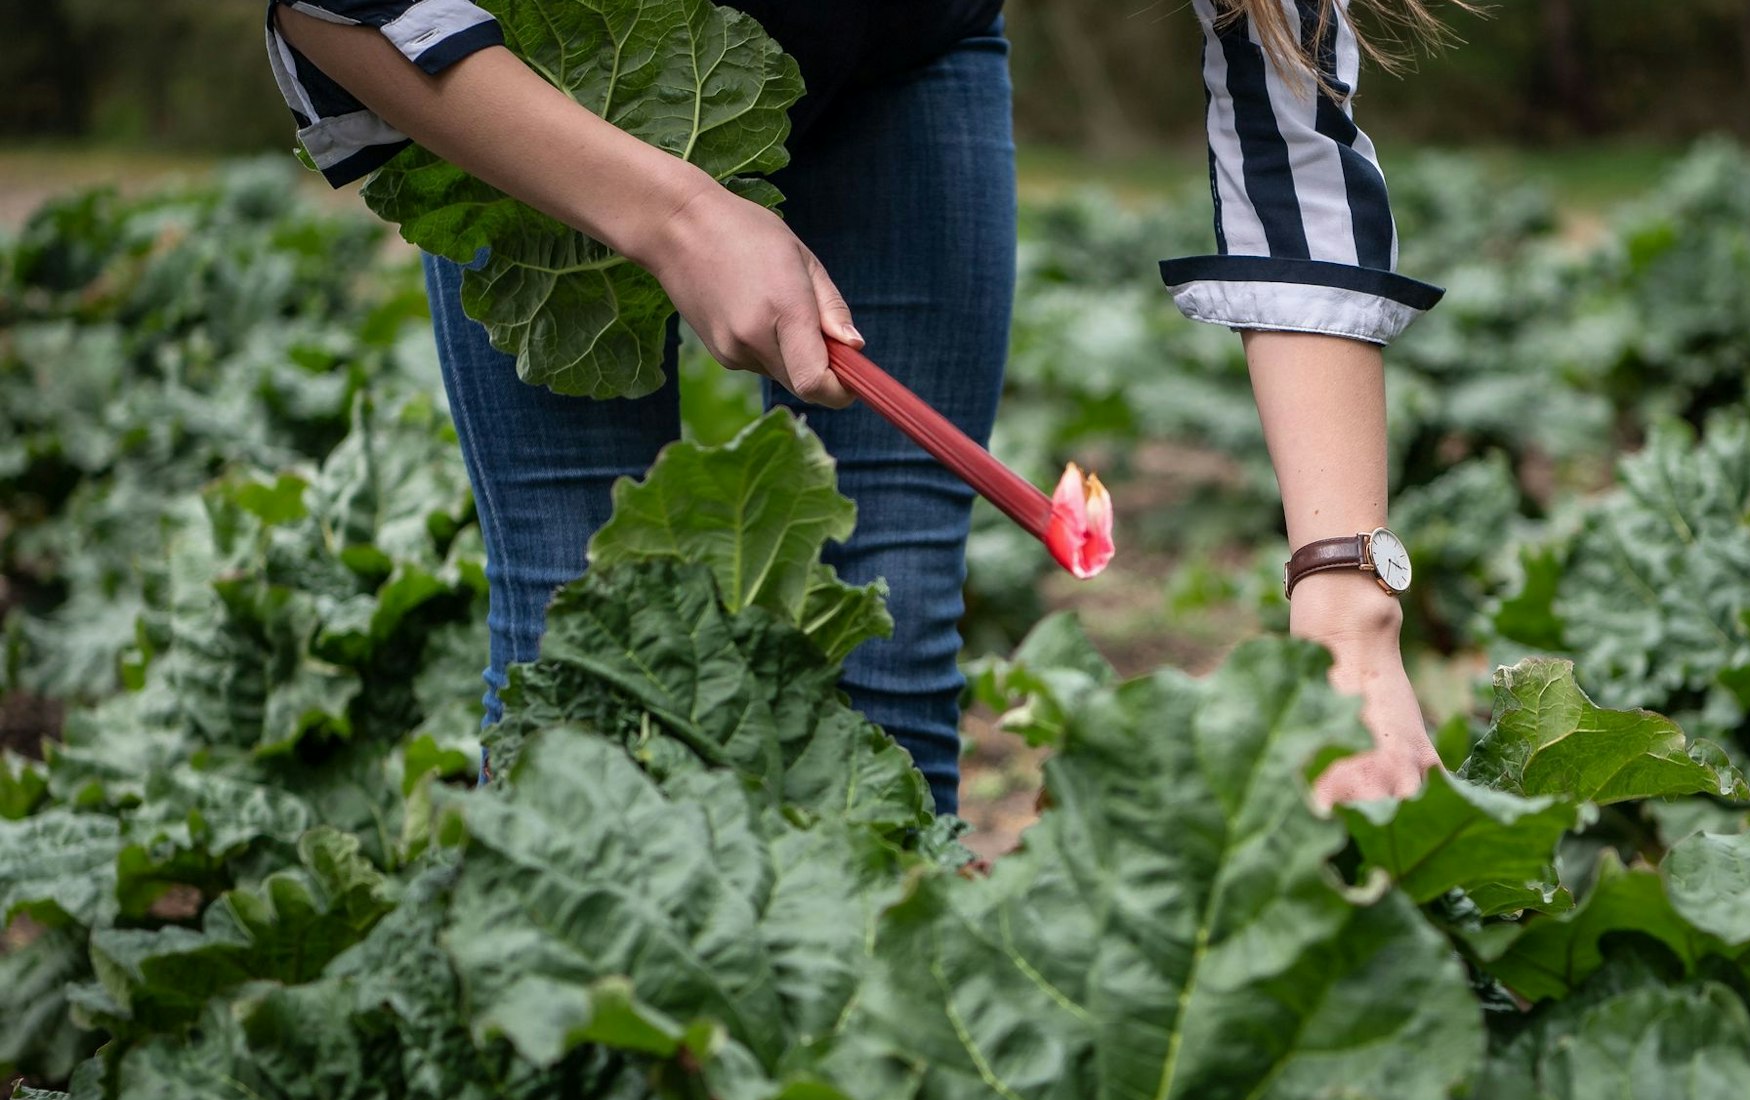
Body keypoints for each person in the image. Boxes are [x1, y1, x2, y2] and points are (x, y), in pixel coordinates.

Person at [265, 0, 1445, 816]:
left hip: (897, 51)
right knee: (578, 616)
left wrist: (1349, 607)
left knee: (897, 609)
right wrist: (675, 215)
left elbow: (1286, 92)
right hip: (537, 63)